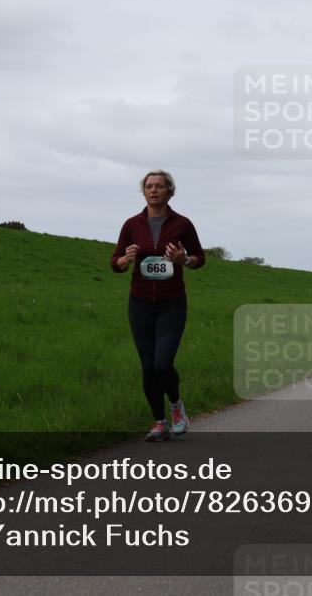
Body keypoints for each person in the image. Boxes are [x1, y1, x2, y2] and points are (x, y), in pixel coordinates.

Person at [111, 170, 205, 442]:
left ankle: (176, 408)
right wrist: (123, 261)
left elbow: (200, 258)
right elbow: (114, 261)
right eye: (149, 186)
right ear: (144, 192)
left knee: (162, 363)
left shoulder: (182, 224)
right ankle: (159, 421)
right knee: (148, 366)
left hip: (171, 303)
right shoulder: (132, 224)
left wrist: (183, 259)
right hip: (139, 303)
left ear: (169, 191)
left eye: (159, 186)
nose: (153, 190)